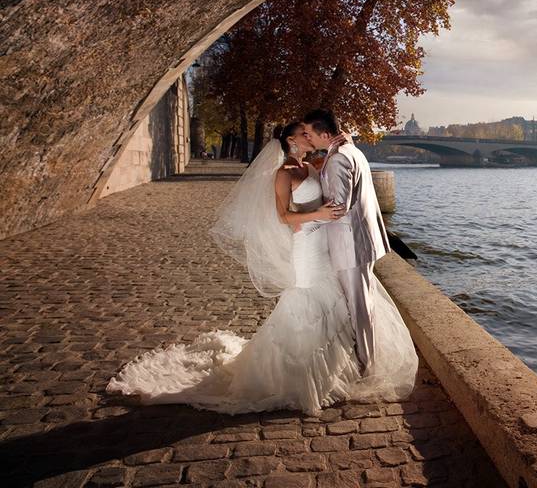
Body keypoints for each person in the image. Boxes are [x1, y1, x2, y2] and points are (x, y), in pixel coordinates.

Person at [105, 121, 418, 415]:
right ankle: (305, 375)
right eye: (304, 134)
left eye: (311, 133)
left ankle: (347, 365)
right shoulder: (283, 174)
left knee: (336, 304)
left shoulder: (312, 166)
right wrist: (317, 214)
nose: (311, 138)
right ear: (291, 141)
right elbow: (284, 217)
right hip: (307, 245)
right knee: (310, 305)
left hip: (323, 244)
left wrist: (342, 143)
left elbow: (337, 169)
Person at [301, 109, 390, 375]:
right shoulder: (352, 152)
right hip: (360, 240)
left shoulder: (339, 159)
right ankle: (365, 357)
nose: (307, 138)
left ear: (325, 134)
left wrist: (304, 225)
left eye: (310, 134)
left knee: (359, 305)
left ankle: (367, 365)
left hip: (350, 243)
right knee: (363, 302)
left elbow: (338, 207)